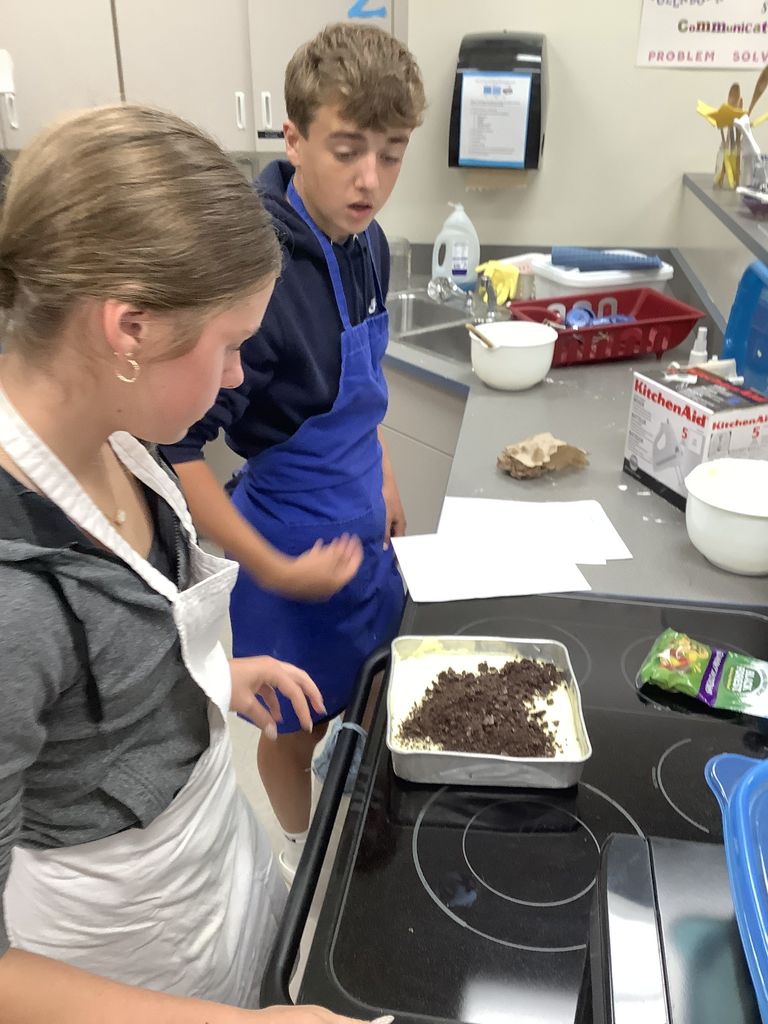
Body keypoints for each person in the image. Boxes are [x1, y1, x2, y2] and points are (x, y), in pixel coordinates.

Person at [0, 103, 379, 1023]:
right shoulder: (14, 607)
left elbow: (126, 630)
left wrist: (198, 679)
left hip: (208, 859)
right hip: (118, 946)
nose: (241, 377)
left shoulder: (117, 434)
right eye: (228, 346)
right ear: (128, 329)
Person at [162, 23, 426, 880]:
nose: (370, 180)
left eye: (391, 155)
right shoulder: (259, 272)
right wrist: (271, 568)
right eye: (348, 150)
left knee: (369, 708)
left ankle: (351, 832)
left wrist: (381, 471)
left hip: (362, 543)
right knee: (294, 730)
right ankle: (305, 859)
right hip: (288, 554)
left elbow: (365, 384)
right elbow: (177, 449)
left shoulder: (368, 244)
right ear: (294, 137)